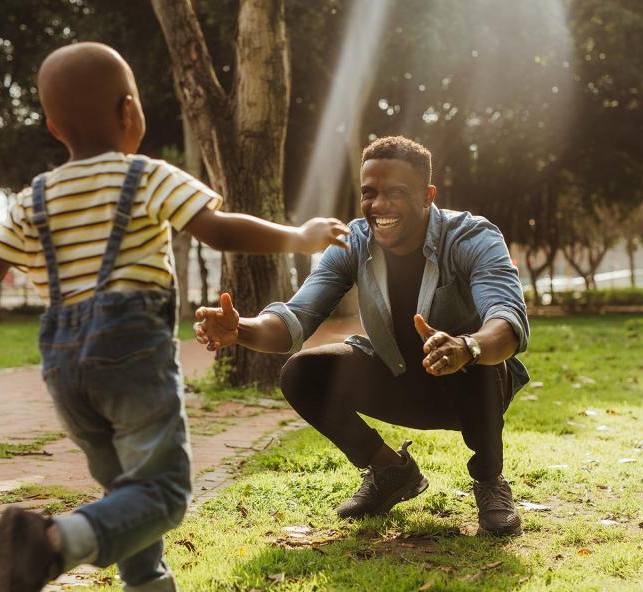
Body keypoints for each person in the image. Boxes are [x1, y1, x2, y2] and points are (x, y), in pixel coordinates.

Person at [0, 42, 348, 592]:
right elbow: (218, 230)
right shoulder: (145, 174)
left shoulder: (34, 198)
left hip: (62, 364)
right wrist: (300, 236)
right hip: (128, 354)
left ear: (54, 127)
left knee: (126, 490)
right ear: (129, 110)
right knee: (163, 492)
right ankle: (50, 543)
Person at [195, 136, 530, 536]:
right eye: (369, 193)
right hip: (398, 378)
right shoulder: (351, 243)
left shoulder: (471, 237)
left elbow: (506, 320)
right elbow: (296, 318)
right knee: (301, 373)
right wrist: (241, 330)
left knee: (477, 354)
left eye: (396, 193)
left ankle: (490, 482)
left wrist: (466, 347)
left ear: (427, 196)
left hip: (469, 386)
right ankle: (390, 471)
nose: (379, 206)